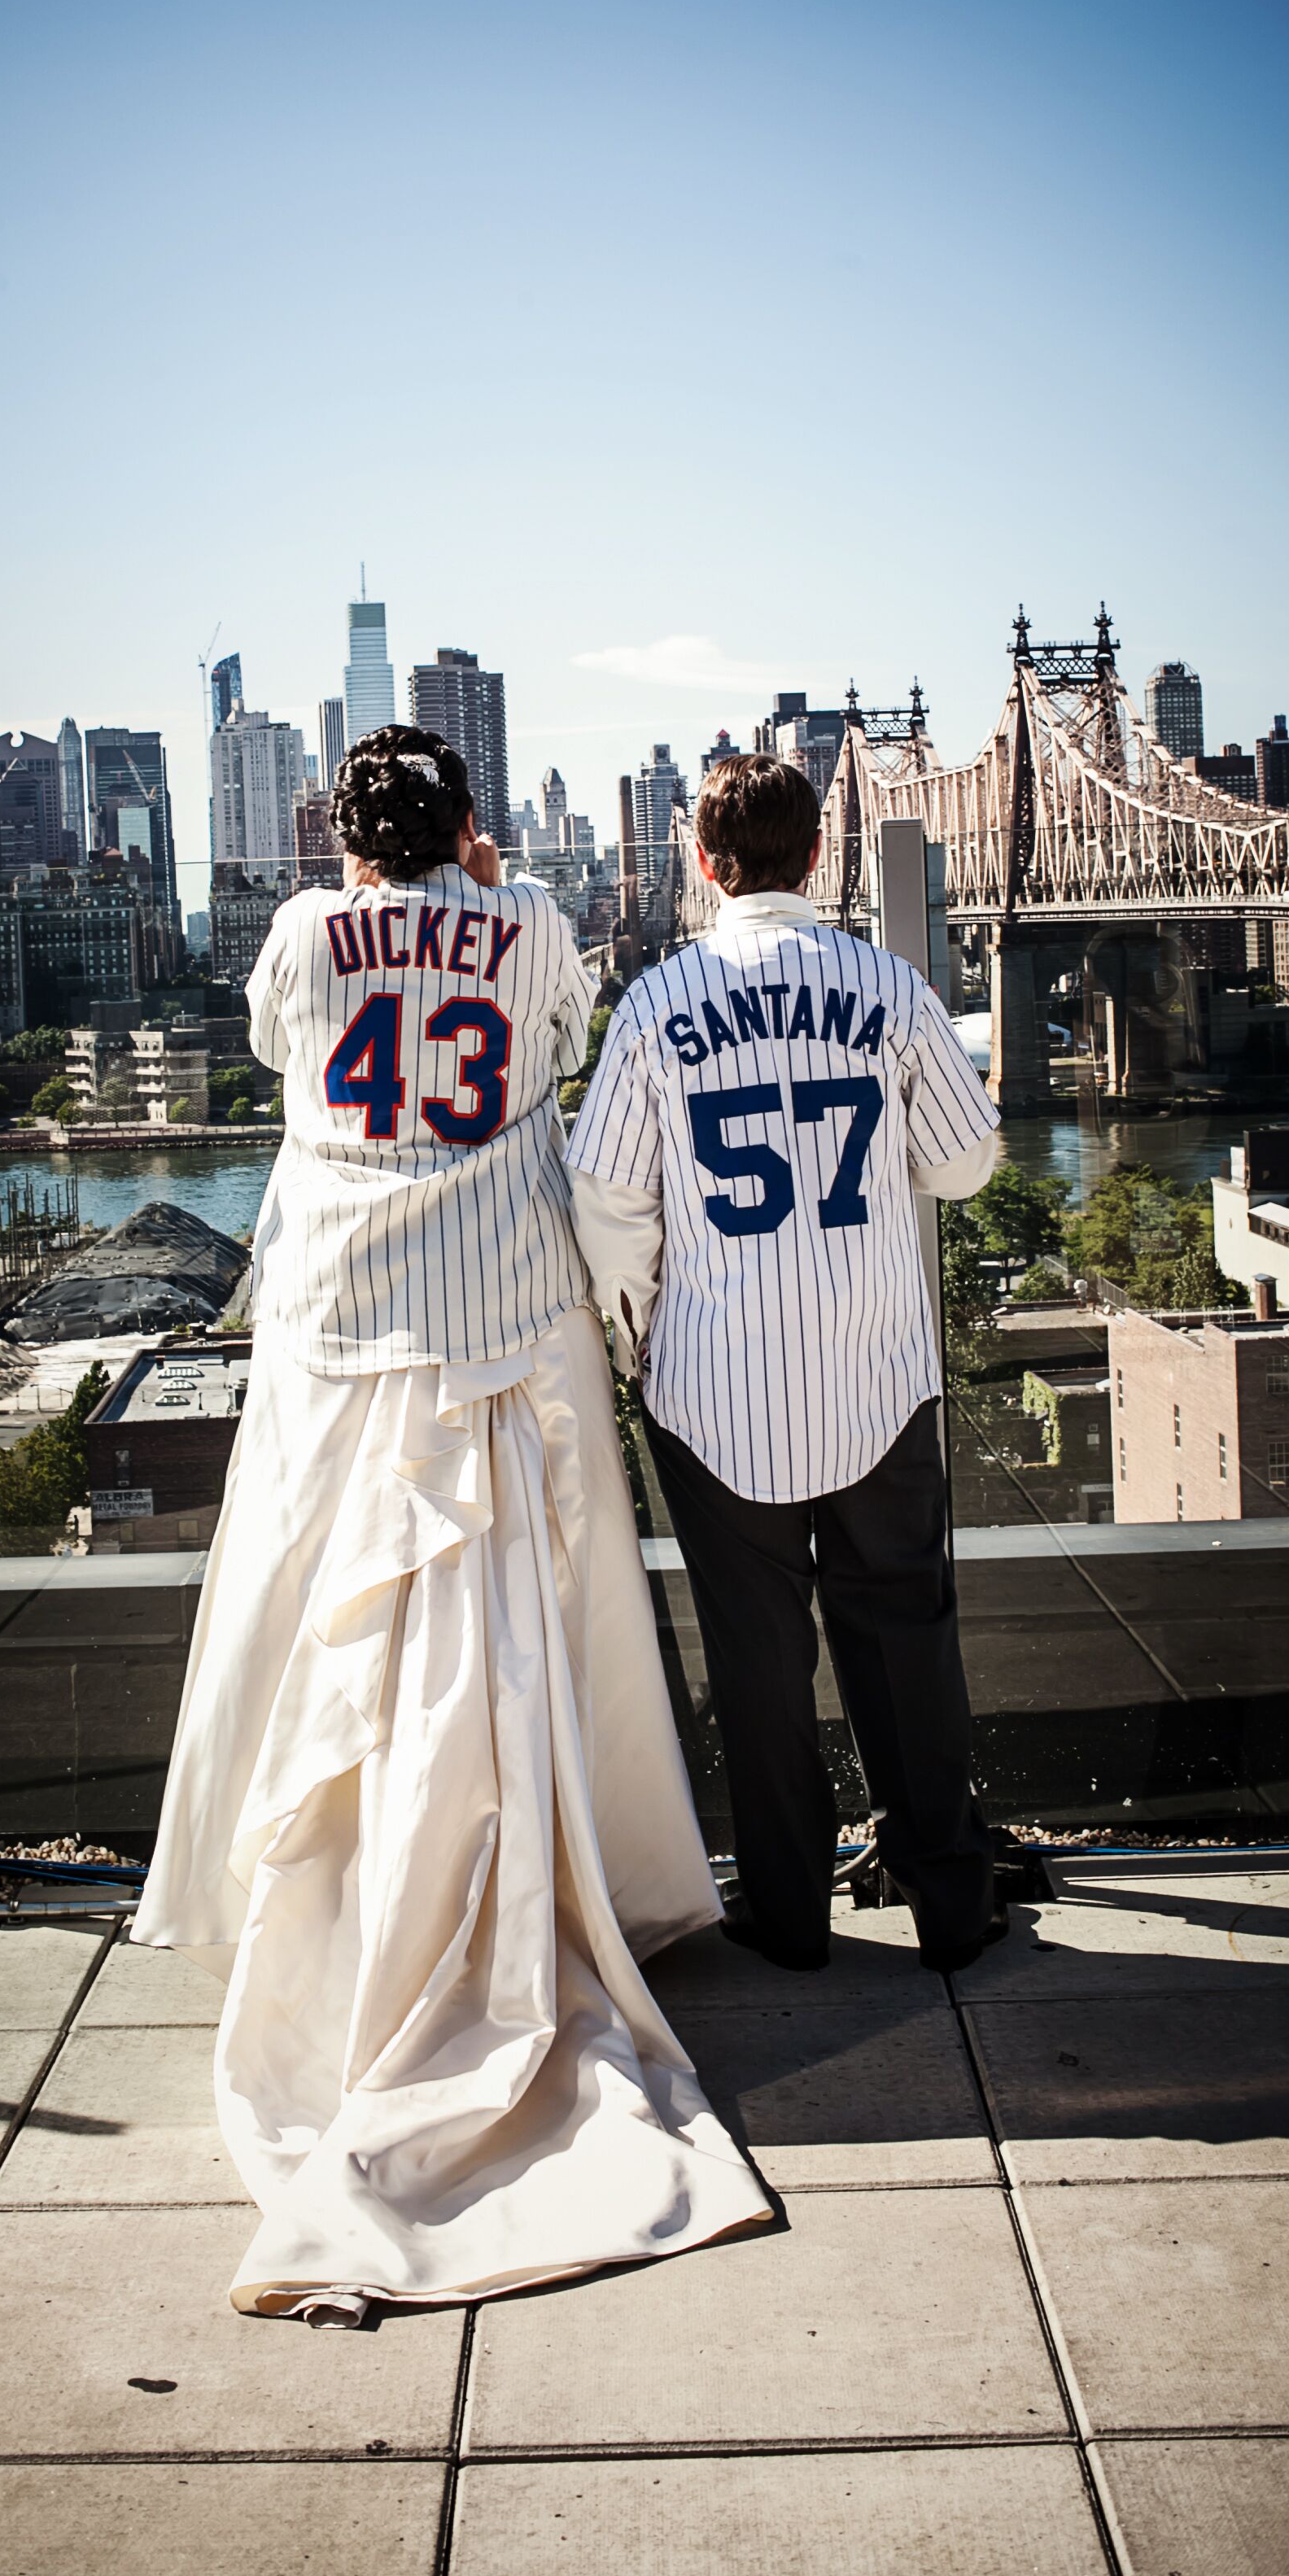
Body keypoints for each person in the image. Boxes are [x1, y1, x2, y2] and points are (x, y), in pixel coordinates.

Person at [134, 727, 768, 2321]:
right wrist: (483, 891)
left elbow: (294, 1060)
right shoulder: (534, 916)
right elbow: (548, 1051)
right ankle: (535, 1897)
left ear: (343, 835)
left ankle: (323, 1918)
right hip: (498, 1310)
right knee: (510, 1627)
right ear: (468, 830)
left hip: (345, 1320)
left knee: (328, 1619)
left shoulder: (300, 933)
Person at [567, 753, 1004, 1976]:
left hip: (714, 1392)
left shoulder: (657, 1004)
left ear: (704, 866)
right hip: (875, 1377)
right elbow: (964, 1164)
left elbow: (603, 1194)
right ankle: (950, 1905)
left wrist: (642, 1322)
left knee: (758, 1668)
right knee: (903, 1638)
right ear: (817, 858)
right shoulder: (890, 986)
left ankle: (791, 1912)